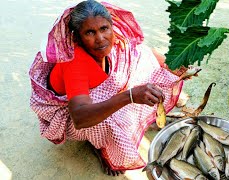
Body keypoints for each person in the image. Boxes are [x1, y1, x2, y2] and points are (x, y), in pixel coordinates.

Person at [29, 0, 190, 176]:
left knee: (139, 61)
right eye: (89, 32)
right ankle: (101, 148)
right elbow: (80, 118)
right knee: (108, 119)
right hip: (70, 115)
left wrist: (172, 65)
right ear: (77, 37)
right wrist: (129, 96)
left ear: (112, 26)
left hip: (94, 95)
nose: (100, 38)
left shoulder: (114, 39)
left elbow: (143, 52)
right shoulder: (75, 62)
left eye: (104, 29)